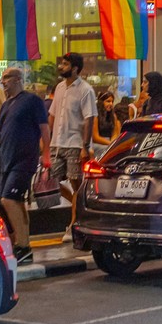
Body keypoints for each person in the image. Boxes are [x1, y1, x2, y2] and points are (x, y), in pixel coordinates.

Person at [0, 66, 47, 261]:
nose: (3, 81)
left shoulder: (32, 101)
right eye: (3, 78)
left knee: (9, 199)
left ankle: (22, 245)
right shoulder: (7, 105)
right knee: (14, 201)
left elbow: (44, 127)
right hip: (6, 160)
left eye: (6, 77)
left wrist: (46, 153)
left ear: (17, 79)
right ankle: (25, 245)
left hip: (25, 159)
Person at [46, 52, 99, 214]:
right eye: (61, 63)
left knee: (76, 182)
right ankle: (78, 204)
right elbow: (52, 115)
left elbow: (89, 118)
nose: (61, 67)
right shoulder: (60, 88)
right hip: (57, 142)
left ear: (75, 68)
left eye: (65, 64)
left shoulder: (85, 90)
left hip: (74, 144)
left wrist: (85, 146)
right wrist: (46, 142)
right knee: (51, 180)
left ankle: (73, 222)